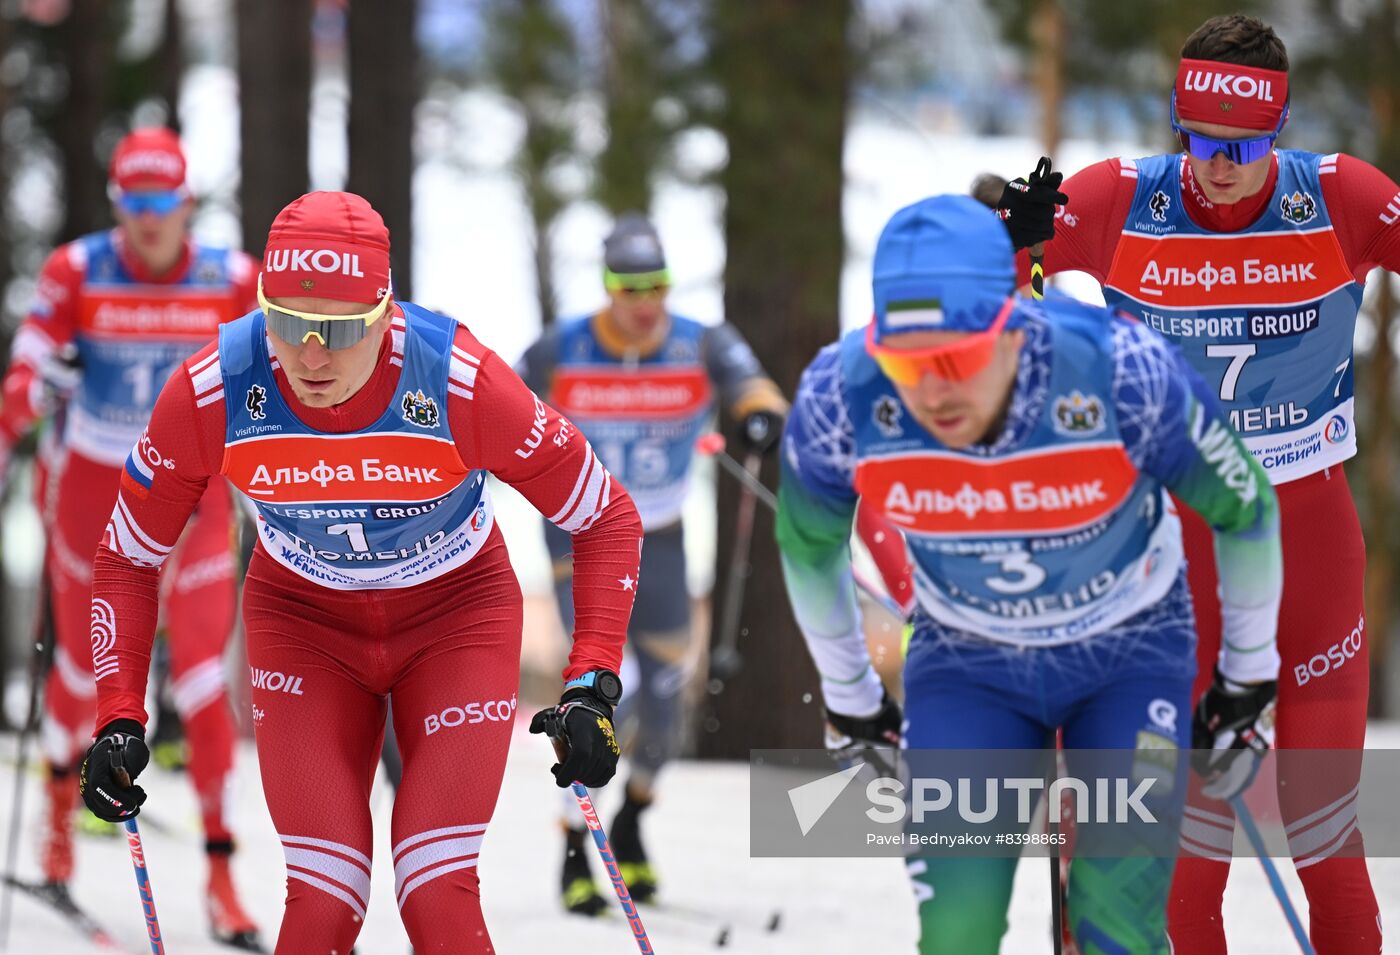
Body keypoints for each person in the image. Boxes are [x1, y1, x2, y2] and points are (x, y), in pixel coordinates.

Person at [76, 191, 642, 954]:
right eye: (286, 321)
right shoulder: (215, 387)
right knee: (323, 900)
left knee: (436, 892)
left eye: (339, 330)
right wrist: (117, 711)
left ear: (385, 312)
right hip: (304, 628)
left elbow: (605, 516)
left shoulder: (458, 379)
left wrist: (591, 683)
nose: (310, 355)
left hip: (456, 620)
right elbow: (127, 554)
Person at [776, 194, 1283, 954]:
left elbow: (1246, 509)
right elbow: (809, 545)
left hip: (1129, 653)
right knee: (957, 932)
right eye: (906, 363)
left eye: (956, 357)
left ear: (1013, 325)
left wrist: (1248, 676)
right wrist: (851, 697)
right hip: (970, 663)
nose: (932, 390)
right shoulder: (840, 397)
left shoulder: (1120, 370)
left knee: (1118, 927)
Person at [996, 14, 1396, 952]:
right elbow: (980, 301)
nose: (1218, 164)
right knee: (1181, 850)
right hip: (1174, 562)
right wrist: (1009, 242)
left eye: (1244, 145)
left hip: (1311, 551)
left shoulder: (1340, 198)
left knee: (1327, 832)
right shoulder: (1120, 199)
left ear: (1279, 128)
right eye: (1200, 139)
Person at [0, 127, 263, 946]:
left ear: (187, 202)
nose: (150, 220)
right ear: (119, 205)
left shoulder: (234, 277)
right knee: (81, 670)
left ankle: (222, 874)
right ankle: (56, 831)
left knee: (202, 686)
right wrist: (40, 383)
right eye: (134, 203)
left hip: (191, 497)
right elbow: (24, 369)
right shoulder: (77, 269)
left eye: (164, 202)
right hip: (91, 492)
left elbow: (278, 376)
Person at [516, 212, 788, 913]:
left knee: (666, 706)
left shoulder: (700, 340)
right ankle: (576, 846)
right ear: (606, 284)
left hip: (659, 534)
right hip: (579, 530)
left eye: (656, 284)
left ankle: (631, 822)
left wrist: (759, 416)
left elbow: (753, 384)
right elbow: (503, 400)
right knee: (613, 689)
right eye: (627, 284)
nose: (644, 301)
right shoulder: (565, 345)